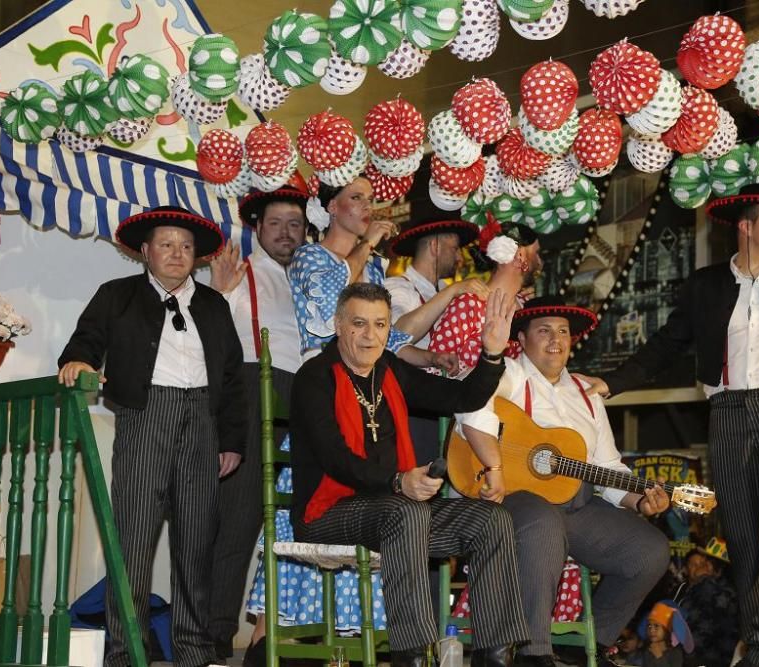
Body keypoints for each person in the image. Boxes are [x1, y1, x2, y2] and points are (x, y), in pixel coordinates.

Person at [580, 183, 759, 666]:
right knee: (745, 542)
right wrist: (611, 383)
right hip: (727, 416)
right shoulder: (704, 286)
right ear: (746, 226)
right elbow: (665, 345)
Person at [290, 283, 529, 667]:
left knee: (492, 520)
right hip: (327, 513)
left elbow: (462, 398)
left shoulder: (391, 370)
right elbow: (334, 459)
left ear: (389, 330)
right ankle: (414, 656)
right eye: (359, 323)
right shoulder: (314, 377)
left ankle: (495, 655)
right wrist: (399, 482)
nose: (370, 335)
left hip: (394, 511)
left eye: (381, 325)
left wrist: (492, 353)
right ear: (338, 325)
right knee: (407, 511)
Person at [58, 206, 247, 667]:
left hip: (203, 421)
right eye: (166, 244)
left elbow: (233, 377)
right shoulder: (115, 295)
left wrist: (231, 441)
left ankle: (195, 652)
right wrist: (78, 363)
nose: (177, 254)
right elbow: (83, 343)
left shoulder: (214, 305)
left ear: (197, 257)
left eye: (185, 247)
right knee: (134, 541)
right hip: (146, 417)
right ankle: (126, 652)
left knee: (197, 543)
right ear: (145, 251)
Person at [455, 296, 670, 667]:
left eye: (563, 332)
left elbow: (607, 465)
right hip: (511, 498)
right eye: (544, 331)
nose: (555, 340)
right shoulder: (507, 373)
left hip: (576, 505)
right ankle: (532, 652)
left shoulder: (588, 397)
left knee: (649, 551)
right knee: (544, 522)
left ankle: (589, 643)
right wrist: (494, 465)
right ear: (520, 339)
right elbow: (471, 402)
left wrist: (637, 500)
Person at [205, 182, 309, 663]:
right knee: (240, 519)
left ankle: (288, 638)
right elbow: (212, 342)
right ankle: (214, 637)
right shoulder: (241, 272)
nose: (286, 233)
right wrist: (217, 292)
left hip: (308, 399)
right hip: (253, 391)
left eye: (294, 223)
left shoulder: (314, 275)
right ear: (256, 228)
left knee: (301, 520)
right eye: (275, 224)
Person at [288, 176, 443, 370]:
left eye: (369, 200)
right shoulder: (308, 256)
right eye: (356, 198)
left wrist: (432, 358)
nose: (367, 206)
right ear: (333, 207)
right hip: (325, 374)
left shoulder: (372, 269)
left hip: (367, 376)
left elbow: (386, 337)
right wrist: (367, 243)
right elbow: (330, 303)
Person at [428, 220, 542, 376]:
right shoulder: (470, 305)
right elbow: (435, 371)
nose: (540, 262)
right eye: (536, 253)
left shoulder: (524, 306)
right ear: (520, 256)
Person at [385, 217, 487, 349]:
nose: (460, 258)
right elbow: (396, 335)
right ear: (435, 247)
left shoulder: (446, 288)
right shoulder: (396, 286)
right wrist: (452, 291)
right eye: (455, 249)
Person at [675, 538, 739, 667]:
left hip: (709, 659)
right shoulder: (682, 590)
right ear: (686, 569)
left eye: (704, 562)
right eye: (694, 564)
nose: (701, 567)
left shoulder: (719, 589)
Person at [638, 602, 692, 667]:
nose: (651, 630)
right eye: (649, 626)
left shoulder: (675, 653)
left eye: (656, 626)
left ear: (667, 630)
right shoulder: (648, 650)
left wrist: (659, 656)